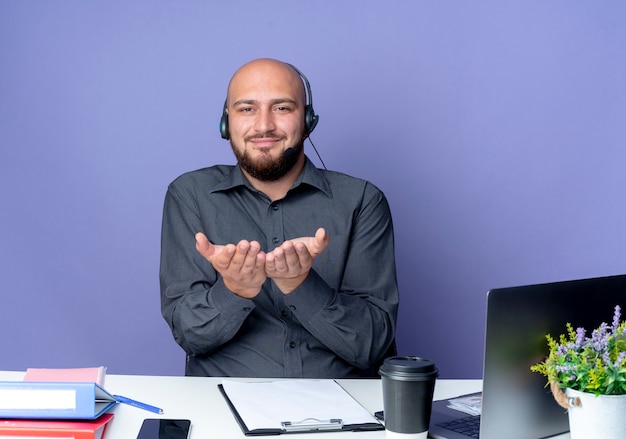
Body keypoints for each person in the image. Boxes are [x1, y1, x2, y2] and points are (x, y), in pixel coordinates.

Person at [160, 58, 399, 378]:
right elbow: (190, 336)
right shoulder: (190, 196)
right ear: (225, 122)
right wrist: (233, 289)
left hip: (341, 411)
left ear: (308, 120)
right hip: (221, 410)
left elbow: (371, 346)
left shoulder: (361, 201)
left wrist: (301, 284)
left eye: (282, 108)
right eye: (247, 109)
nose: (263, 126)